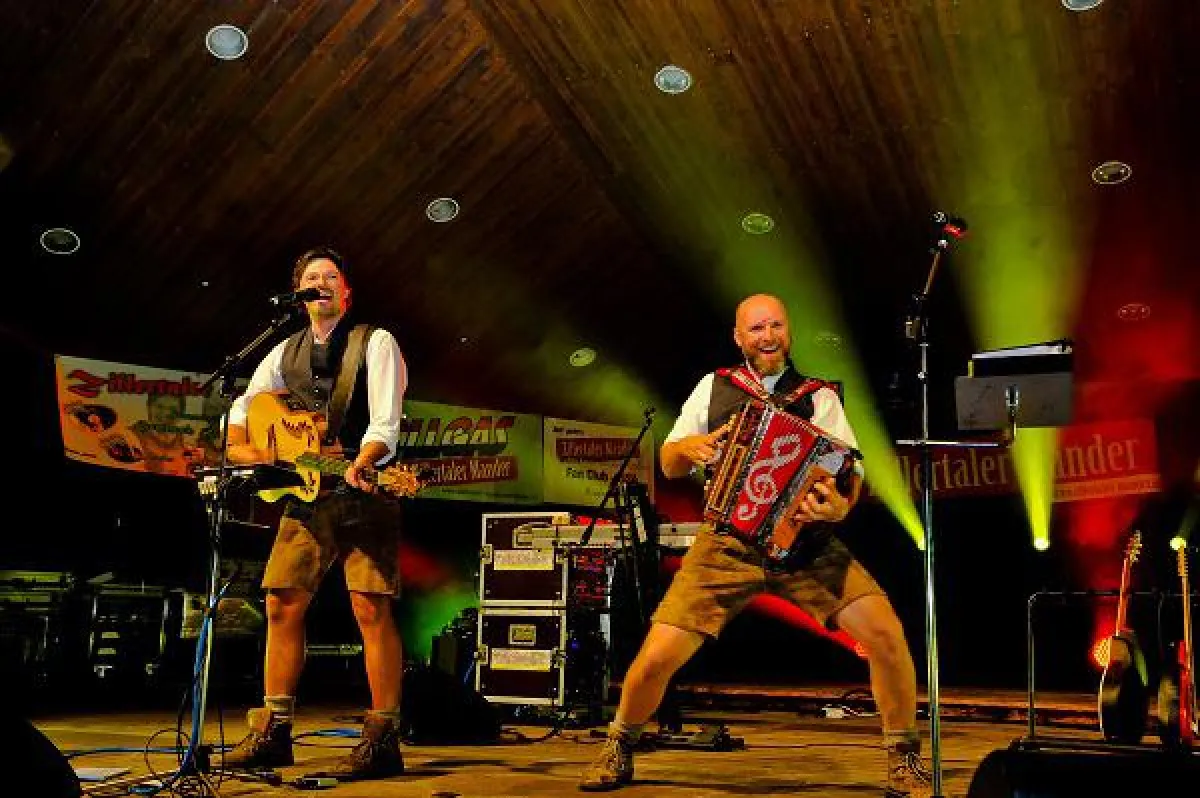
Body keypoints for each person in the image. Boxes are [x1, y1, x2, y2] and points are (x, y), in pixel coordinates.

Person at [579, 294, 929, 797]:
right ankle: (619, 743)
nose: (769, 336)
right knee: (656, 658)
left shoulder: (820, 397)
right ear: (738, 337)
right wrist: (687, 449)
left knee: (886, 634)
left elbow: (849, 471)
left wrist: (839, 508)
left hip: (804, 543)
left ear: (789, 331)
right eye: (757, 328)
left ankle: (903, 759)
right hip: (727, 545)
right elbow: (671, 461)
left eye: (777, 326)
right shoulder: (714, 387)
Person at [222, 247, 409, 782]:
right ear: (300, 293)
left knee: (370, 609)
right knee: (281, 602)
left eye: (330, 276)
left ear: (345, 292)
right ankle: (273, 730)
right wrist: (251, 449)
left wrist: (366, 462)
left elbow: (385, 424)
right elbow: (243, 414)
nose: (320, 283)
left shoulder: (374, 342)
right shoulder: (282, 352)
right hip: (303, 493)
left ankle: (383, 735)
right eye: (311, 277)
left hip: (364, 488)